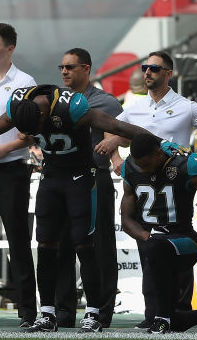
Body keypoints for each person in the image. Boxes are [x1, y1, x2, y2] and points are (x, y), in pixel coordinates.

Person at [0, 84, 157, 333]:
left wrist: (158, 143)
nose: (31, 136)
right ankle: (48, 313)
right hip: (50, 177)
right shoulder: (19, 105)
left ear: (43, 116)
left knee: (84, 245)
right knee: (45, 245)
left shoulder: (71, 108)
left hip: (80, 178)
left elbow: (117, 127)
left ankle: (93, 313)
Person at [96, 50, 197, 328]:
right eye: (145, 68)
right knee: (148, 251)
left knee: (177, 250)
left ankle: (179, 314)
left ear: (168, 74)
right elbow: (112, 128)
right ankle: (154, 314)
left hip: (178, 183)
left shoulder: (186, 106)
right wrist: (115, 158)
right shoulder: (135, 105)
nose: (147, 72)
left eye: (154, 68)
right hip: (143, 183)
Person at [120, 133, 197, 334]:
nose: (143, 170)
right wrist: (148, 237)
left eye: (146, 165)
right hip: (154, 243)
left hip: (185, 241)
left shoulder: (184, 164)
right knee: (165, 318)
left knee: (160, 314)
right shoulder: (130, 167)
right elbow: (127, 220)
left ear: (158, 154)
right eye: (139, 166)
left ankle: (162, 318)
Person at [54, 48, 122, 328]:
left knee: (101, 246)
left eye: (70, 67)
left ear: (86, 68)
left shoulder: (105, 102)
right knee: (61, 247)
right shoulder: (57, 100)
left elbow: (121, 131)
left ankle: (102, 312)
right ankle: (63, 313)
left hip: (94, 179)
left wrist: (113, 143)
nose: (64, 72)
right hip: (62, 178)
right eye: (62, 67)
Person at [0, 22, 37, 328]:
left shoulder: (24, 82)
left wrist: (3, 148)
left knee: (18, 238)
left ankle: (27, 310)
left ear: (10, 47)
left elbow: (28, 134)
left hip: (12, 168)